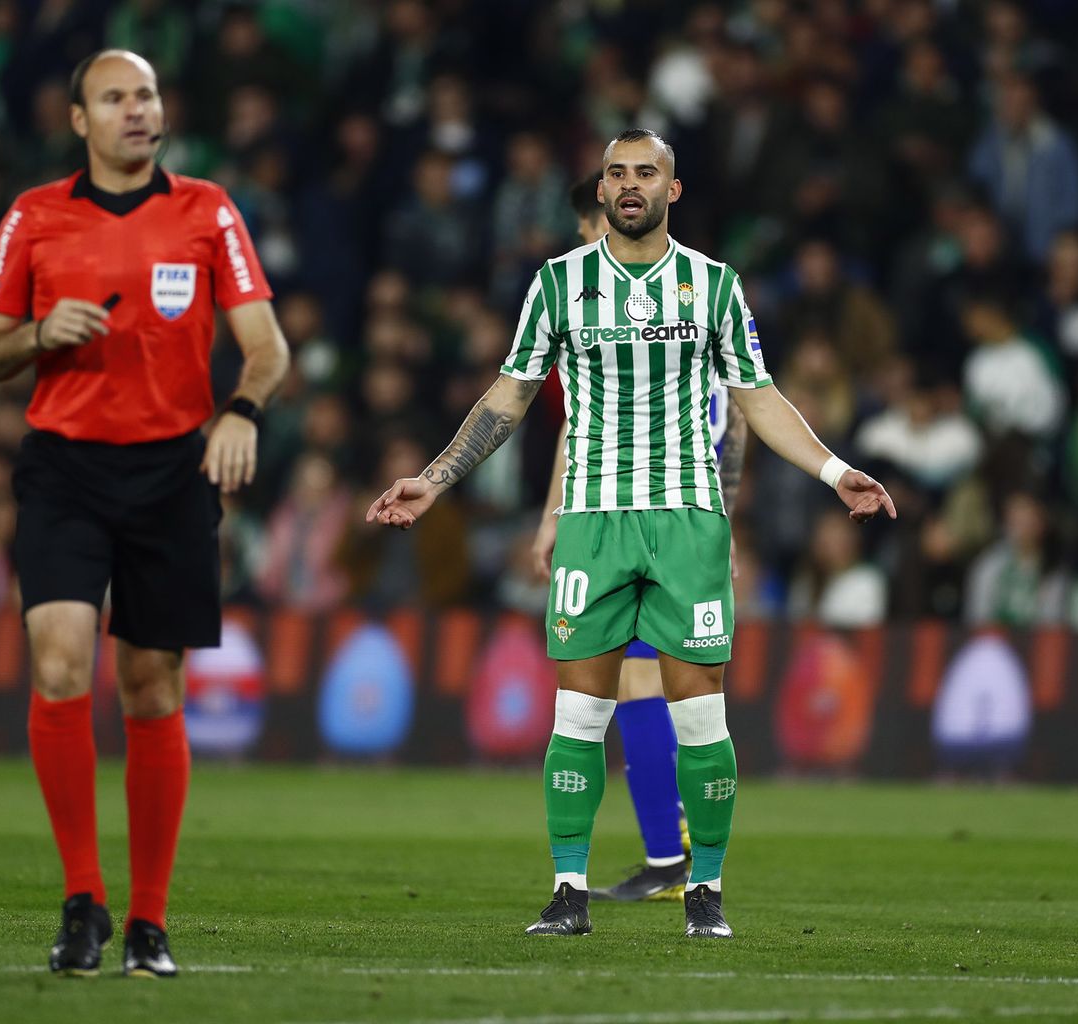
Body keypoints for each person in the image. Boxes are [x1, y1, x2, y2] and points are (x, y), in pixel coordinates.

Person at [369, 129, 895, 940]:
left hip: (687, 522)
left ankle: (705, 892)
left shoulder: (714, 286)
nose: (629, 185)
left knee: (699, 719)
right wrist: (435, 480)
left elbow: (757, 400)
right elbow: (508, 396)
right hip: (592, 522)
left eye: (645, 172)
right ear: (602, 190)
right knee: (578, 717)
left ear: (672, 191)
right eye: (616, 173)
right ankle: (568, 891)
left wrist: (834, 472)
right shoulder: (557, 284)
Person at [0, 50, 289, 978]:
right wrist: (35, 333)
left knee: (151, 689)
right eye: (115, 98)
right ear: (79, 121)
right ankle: (81, 901)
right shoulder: (34, 215)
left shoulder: (207, 210)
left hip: (171, 473)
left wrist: (241, 411)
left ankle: (149, 921)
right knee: (60, 662)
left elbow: (266, 348)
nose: (137, 110)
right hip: (64, 469)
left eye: (146, 94)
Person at [528, 174, 748, 903]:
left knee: (647, 684)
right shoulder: (586, 295)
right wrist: (554, 514)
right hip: (610, 515)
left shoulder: (688, 293)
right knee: (627, 686)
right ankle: (668, 853)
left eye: (587, 228)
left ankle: (675, 854)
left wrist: (720, 513)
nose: (585, 243)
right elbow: (580, 423)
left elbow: (738, 408)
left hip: (669, 516)